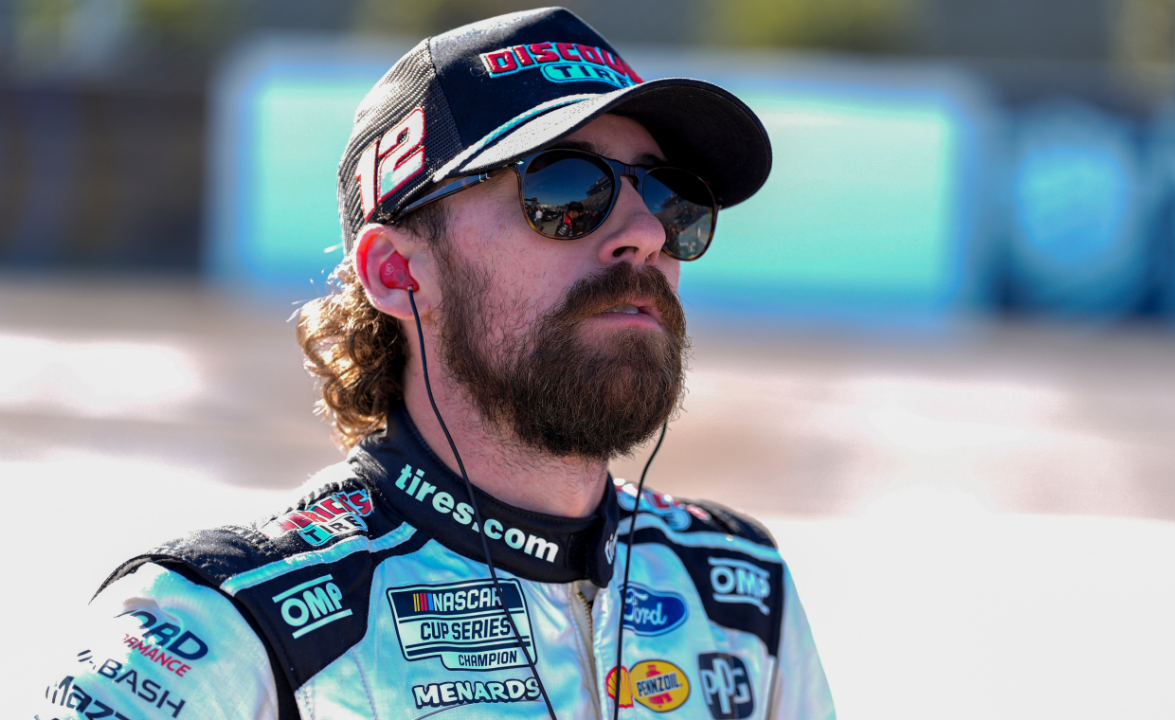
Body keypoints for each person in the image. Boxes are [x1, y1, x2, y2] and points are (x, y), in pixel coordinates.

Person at [32, 7, 835, 719]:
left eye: (670, 197)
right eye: (567, 190)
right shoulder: (217, 630)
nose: (646, 234)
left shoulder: (742, 592)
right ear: (397, 272)